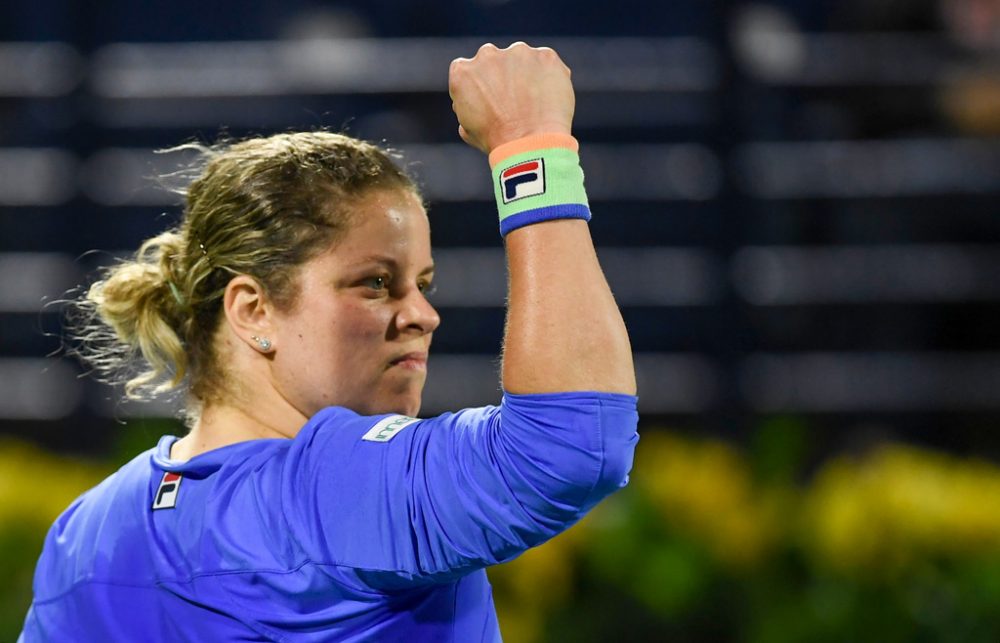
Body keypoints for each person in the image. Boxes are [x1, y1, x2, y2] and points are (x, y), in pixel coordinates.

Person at [19, 42, 638, 642]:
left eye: (422, 284)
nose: (423, 314)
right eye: (376, 283)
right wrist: (530, 143)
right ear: (252, 309)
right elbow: (572, 440)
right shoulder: (329, 488)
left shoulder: (85, 535)